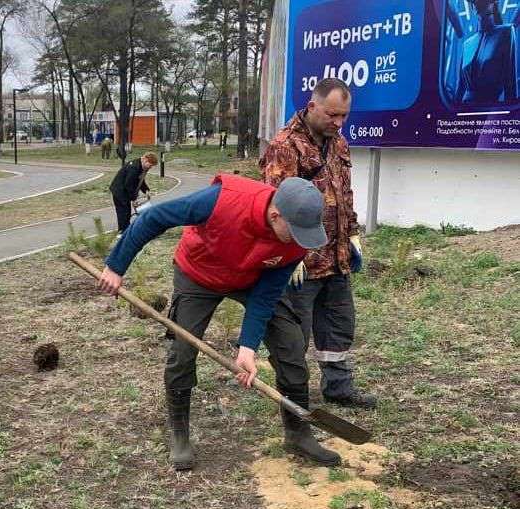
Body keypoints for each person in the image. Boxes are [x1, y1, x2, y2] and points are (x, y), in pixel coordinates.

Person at [98, 173, 330, 471]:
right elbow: (153, 218)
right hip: (200, 273)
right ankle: (180, 434)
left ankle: (298, 432)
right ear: (275, 214)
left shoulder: (296, 239)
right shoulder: (222, 200)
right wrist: (116, 266)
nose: (301, 240)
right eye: (296, 230)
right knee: (182, 352)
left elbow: (266, 295)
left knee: (291, 343)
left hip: (251, 278)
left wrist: (247, 346)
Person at [260, 77, 377, 424]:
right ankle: (293, 395)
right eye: (332, 115)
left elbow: (345, 193)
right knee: (295, 333)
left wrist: (352, 234)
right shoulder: (285, 146)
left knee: (339, 324)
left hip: (336, 255)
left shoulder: (338, 142)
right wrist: (288, 253)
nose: (339, 123)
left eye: (344, 116)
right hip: (302, 260)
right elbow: (275, 204)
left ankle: (338, 386)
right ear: (313, 107)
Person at [456, 0, 517, 104]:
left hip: (490, 109)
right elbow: (460, 88)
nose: (478, 3)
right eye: (474, 1)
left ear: (493, 3)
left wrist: (509, 113)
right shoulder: (467, 44)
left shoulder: (506, 33)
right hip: (465, 109)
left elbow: (510, 81)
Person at [109, 152, 158, 233]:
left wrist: (146, 190)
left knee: (127, 212)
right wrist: (134, 199)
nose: (150, 167)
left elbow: (140, 180)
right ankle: (122, 232)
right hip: (120, 191)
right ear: (145, 160)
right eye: (150, 165)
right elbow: (129, 184)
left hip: (124, 191)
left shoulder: (141, 167)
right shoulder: (134, 167)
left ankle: (126, 230)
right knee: (123, 212)